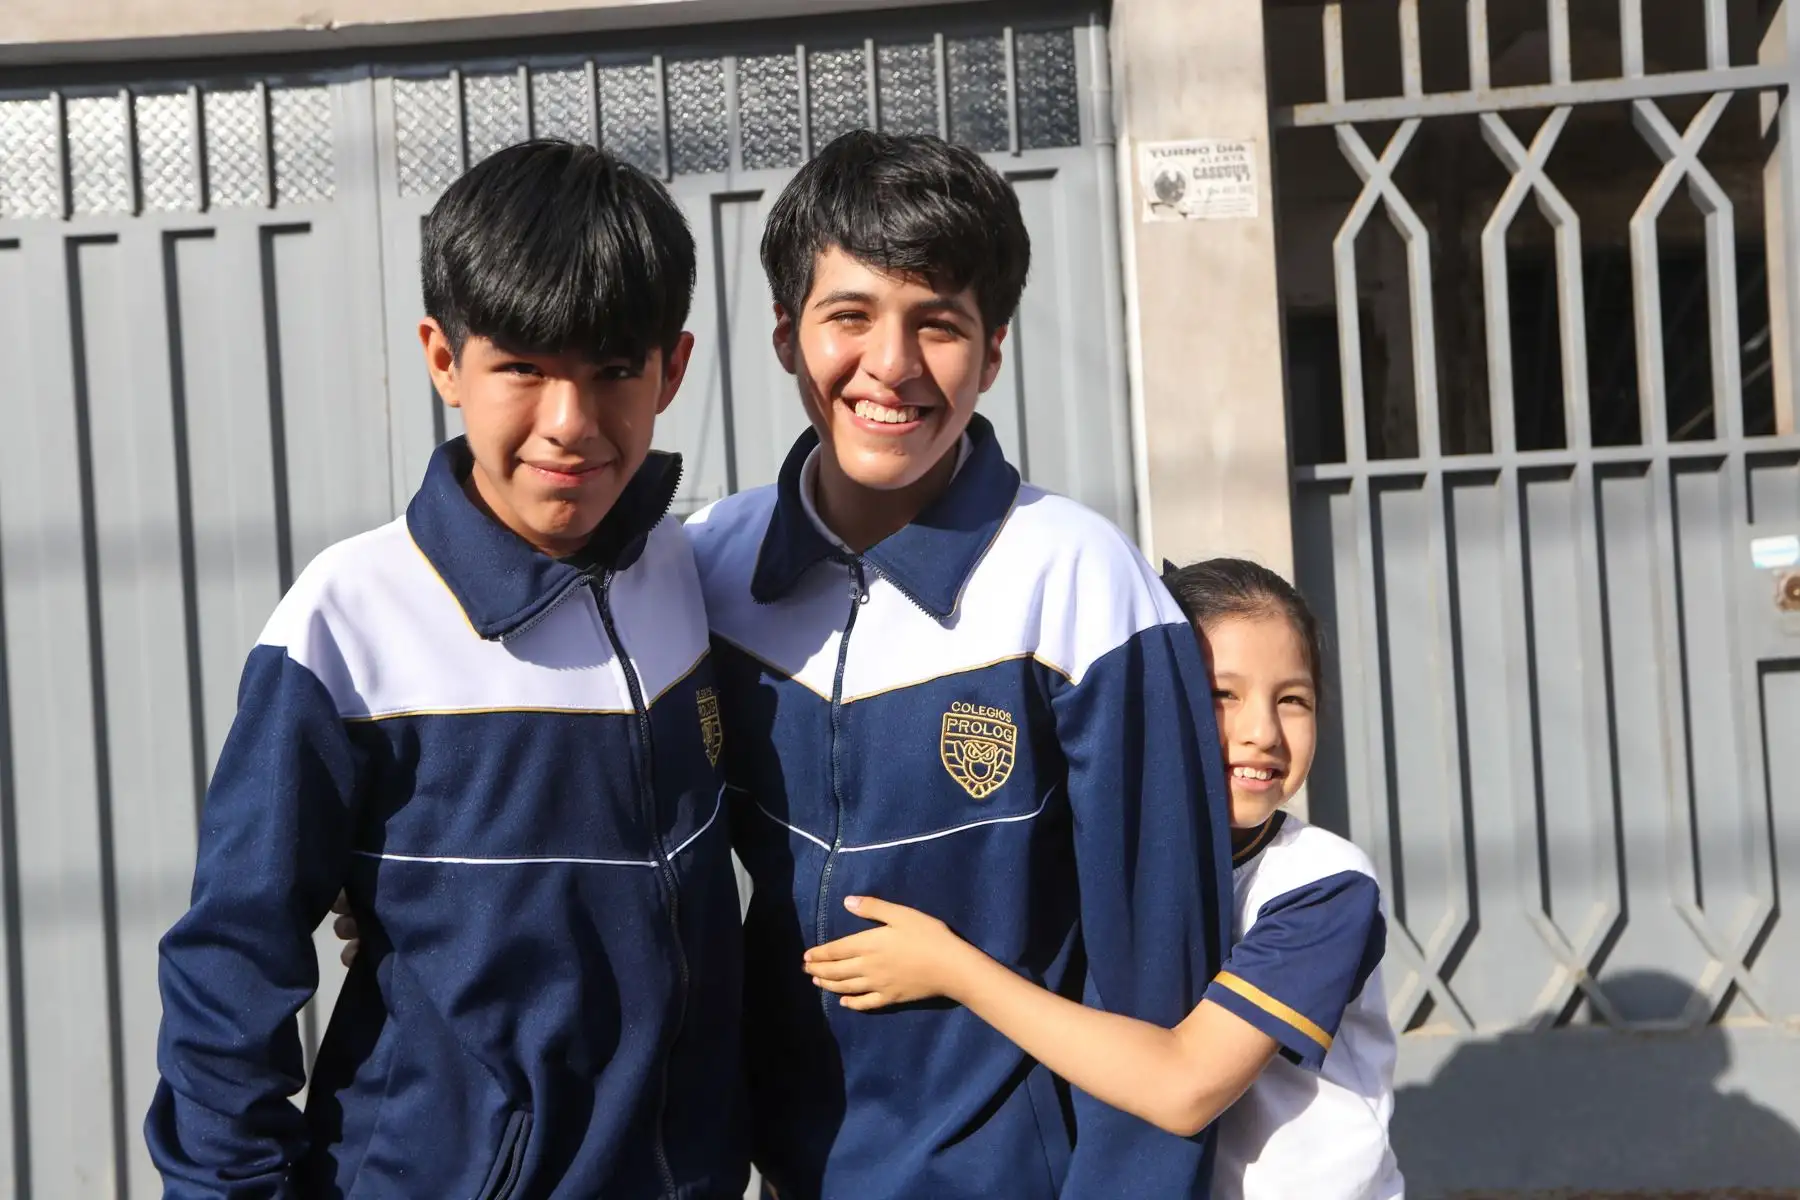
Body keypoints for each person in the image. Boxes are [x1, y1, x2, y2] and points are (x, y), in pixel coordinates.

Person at [146, 140, 747, 1198]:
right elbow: (227, 973)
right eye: (523, 366)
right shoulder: (347, 626)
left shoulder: (693, 577)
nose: (570, 424)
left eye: (613, 369)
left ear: (675, 367)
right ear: (443, 358)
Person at [684, 130, 1236, 1199]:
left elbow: (1160, 968)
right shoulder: (708, 571)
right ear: (787, 337)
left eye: (937, 325)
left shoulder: (1081, 585)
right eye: (849, 317)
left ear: (991, 354)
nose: (891, 366)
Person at [803, 558, 1403, 1200]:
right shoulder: (1093, 855)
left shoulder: (1323, 884)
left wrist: (952, 970)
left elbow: (1186, 1089)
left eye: (1293, 699)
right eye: (1220, 695)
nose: (1262, 733)